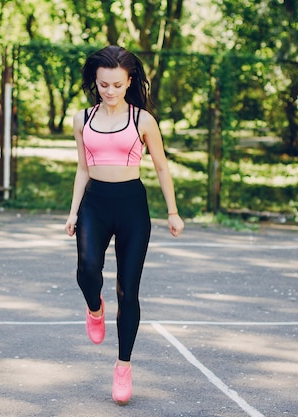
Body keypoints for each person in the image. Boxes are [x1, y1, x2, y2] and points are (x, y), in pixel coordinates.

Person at [65, 45, 184, 405]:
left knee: (128, 291)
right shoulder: (81, 118)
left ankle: (123, 366)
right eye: (103, 85)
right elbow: (83, 168)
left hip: (132, 204)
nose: (110, 91)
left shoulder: (142, 120)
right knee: (87, 271)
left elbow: (161, 167)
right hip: (95, 203)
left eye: (117, 84)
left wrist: (172, 211)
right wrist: (73, 212)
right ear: (95, 83)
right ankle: (94, 308)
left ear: (129, 81)